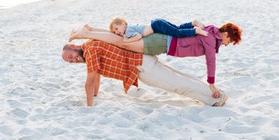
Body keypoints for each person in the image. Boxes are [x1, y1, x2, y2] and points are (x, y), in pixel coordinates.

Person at [68, 22, 242, 99]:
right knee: (123, 42)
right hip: (160, 43)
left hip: (162, 41)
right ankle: (85, 33)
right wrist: (211, 84)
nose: (227, 44)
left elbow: (183, 28)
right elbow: (211, 62)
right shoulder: (211, 39)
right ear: (225, 34)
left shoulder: (208, 31)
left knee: (123, 39)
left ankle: (90, 29)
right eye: (229, 41)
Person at [62, 40, 228, 107]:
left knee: (176, 84)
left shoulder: (89, 50)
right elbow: (95, 75)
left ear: (74, 46)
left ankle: (215, 98)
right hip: (142, 60)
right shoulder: (90, 47)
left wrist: (89, 106)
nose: (73, 61)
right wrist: (95, 95)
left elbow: (89, 81)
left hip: (141, 65)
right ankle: (214, 93)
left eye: (71, 57)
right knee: (178, 77)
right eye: (70, 62)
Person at [108, 16, 208, 43]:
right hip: (157, 23)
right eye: (115, 32)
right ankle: (192, 23)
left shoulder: (128, 31)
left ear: (123, 24)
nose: (117, 32)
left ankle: (196, 30)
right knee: (177, 28)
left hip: (157, 26)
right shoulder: (129, 28)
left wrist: (127, 40)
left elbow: (138, 36)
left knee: (177, 33)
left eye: (116, 29)